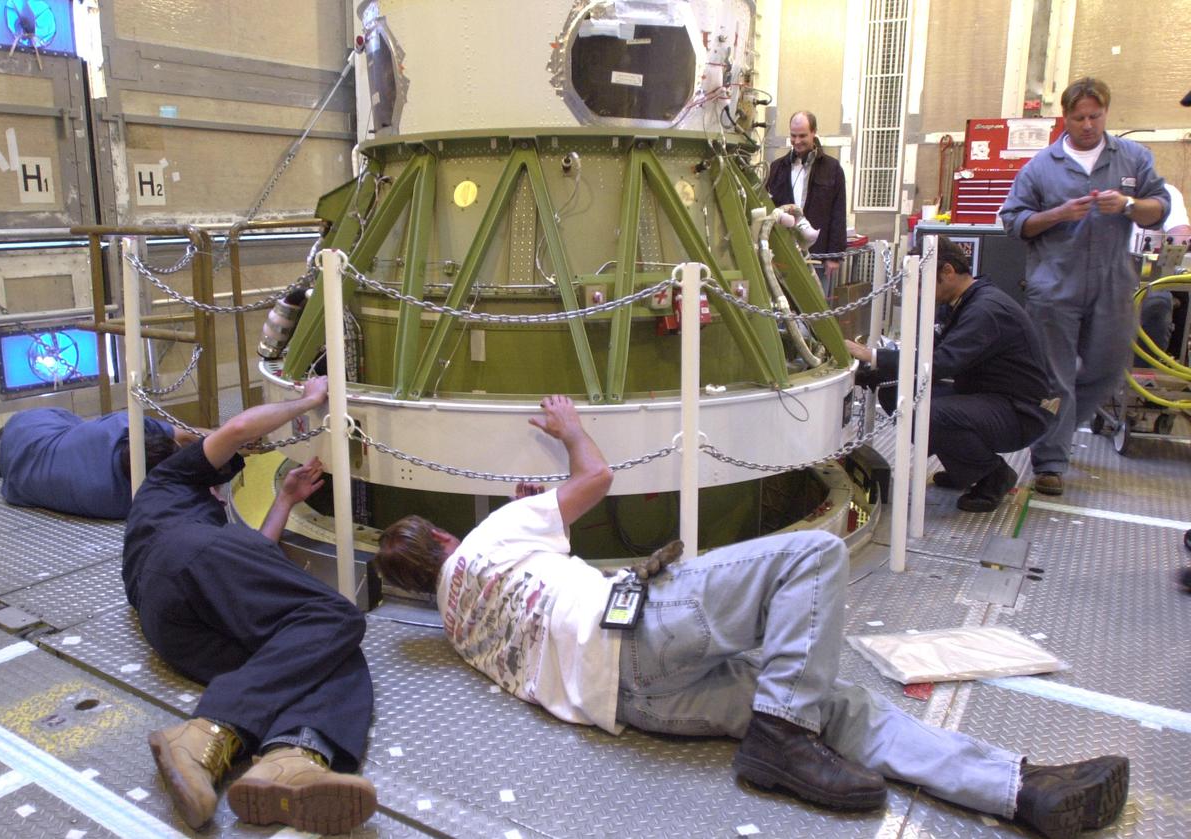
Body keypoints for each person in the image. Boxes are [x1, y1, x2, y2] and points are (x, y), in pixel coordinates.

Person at [374, 395, 1129, 839]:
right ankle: (781, 739)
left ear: (417, 582)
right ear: (442, 535)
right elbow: (595, 476)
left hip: (634, 707)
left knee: (831, 703)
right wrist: (570, 426)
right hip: (634, 630)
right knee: (813, 559)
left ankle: (1017, 790)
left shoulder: (454, 623)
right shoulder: (490, 537)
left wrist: (520, 518)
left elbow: (515, 598)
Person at [123, 376, 376, 834]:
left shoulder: (180, 514)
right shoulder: (171, 480)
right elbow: (239, 428)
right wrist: (309, 399)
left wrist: (284, 501)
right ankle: (207, 726)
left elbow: (251, 561)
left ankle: (290, 758)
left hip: (169, 628)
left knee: (326, 655)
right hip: (182, 559)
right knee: (334, 616)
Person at [1000, 77, 1169, 497]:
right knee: (1055, 379)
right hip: (1055, 288)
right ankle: (1050, 462)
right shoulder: (1040, 167)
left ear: (1106, 114)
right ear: (1065, 118)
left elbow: (1159, 209)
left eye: (1095, 116)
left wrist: (1129, 205)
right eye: (1079, 117)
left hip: (1114, 283)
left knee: (1109, 367)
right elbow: (1014, 222)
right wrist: (1057, 214)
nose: (1088, 124)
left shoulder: (1133, 158)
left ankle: (1063, 421)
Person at [845, 236, 1057, 512]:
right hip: (990, 398)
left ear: (947, 271)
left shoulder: (985, 309)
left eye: (923, 281)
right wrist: (880, 369)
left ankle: (993, 476)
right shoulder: (963, 302)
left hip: (1021, 412)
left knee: (925, 412)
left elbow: (942, 362)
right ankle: (966, 469)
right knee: (894, 389)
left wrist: (873, 357)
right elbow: (931, 356)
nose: (920, 291)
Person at [0, 407, 198, 519]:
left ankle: (1, 441)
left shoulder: (118, 427)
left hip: (28, 430)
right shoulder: (123, 504)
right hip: (16, 477)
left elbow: (187, 434)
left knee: (70, 430)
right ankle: (0, 445)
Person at [766, 111, 847, 294]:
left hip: (818, 257)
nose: (797, 141)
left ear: (814, 132)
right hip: (784, 255)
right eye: (793, 136)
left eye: (802, 136)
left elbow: (838, 212)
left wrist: (834, 256)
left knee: (816, 313)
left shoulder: (832, 169)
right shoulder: (777, 168)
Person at [1130, 183, 1191, 367]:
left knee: (1157, 302)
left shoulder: (1165, 192)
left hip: (1146, 279)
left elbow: (1180, 234)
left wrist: (1179, 242)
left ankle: (1144, 378)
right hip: (1097, 276)